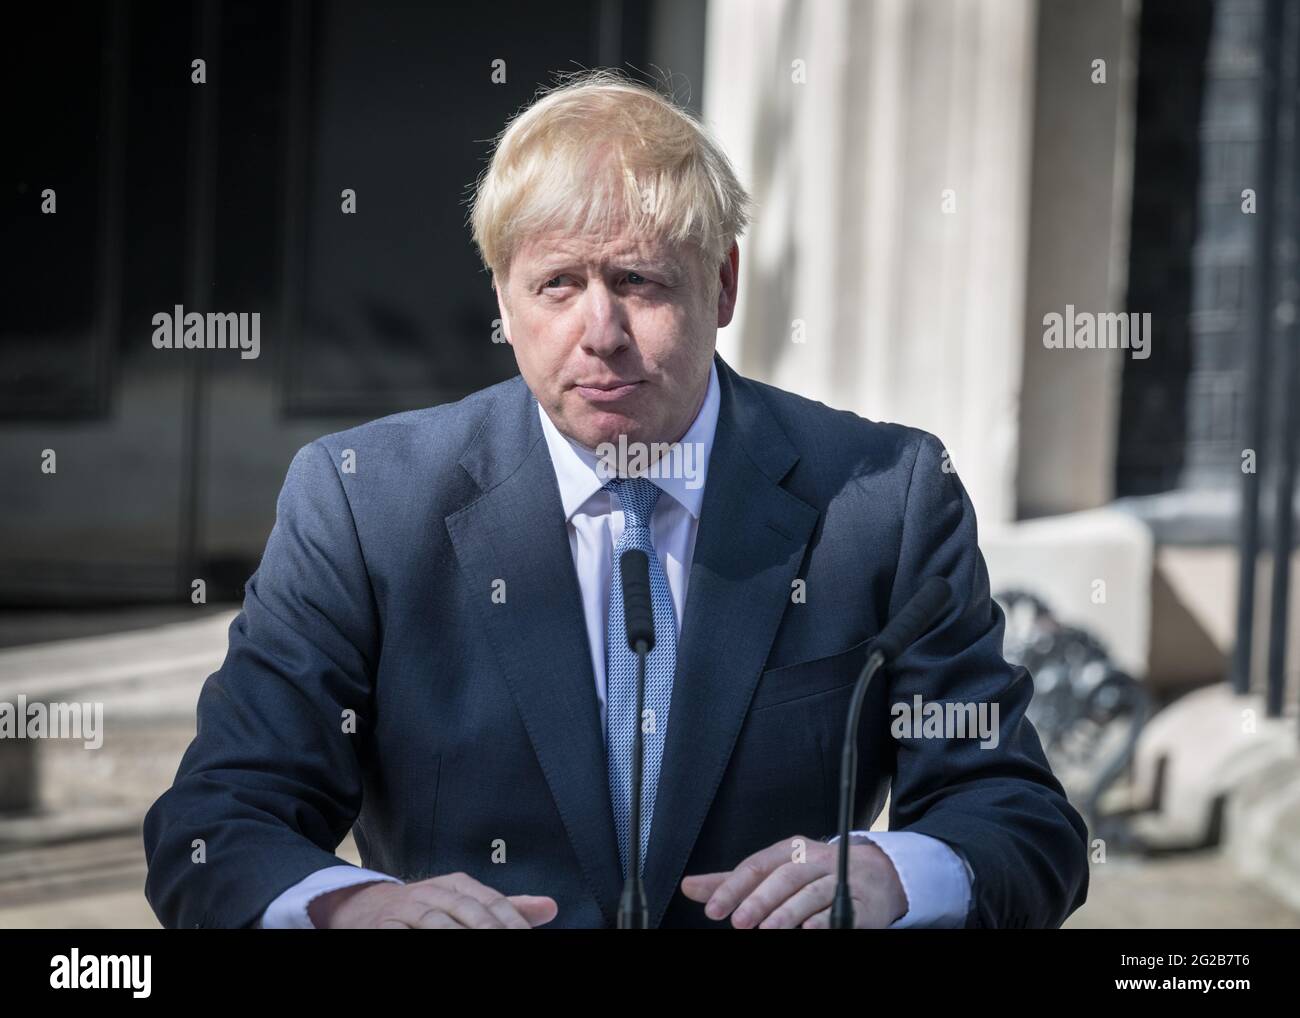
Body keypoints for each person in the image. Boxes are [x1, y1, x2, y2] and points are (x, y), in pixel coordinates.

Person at [143, 70, 1088, 929]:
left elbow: (1019, 818)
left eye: (639, 281)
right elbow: (217, 824)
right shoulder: (363, 504)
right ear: (504, 303)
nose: (600, 332)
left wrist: (896, 871)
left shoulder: (883, 498)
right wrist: (351, 909)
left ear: (721, 285)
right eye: (556, 284)